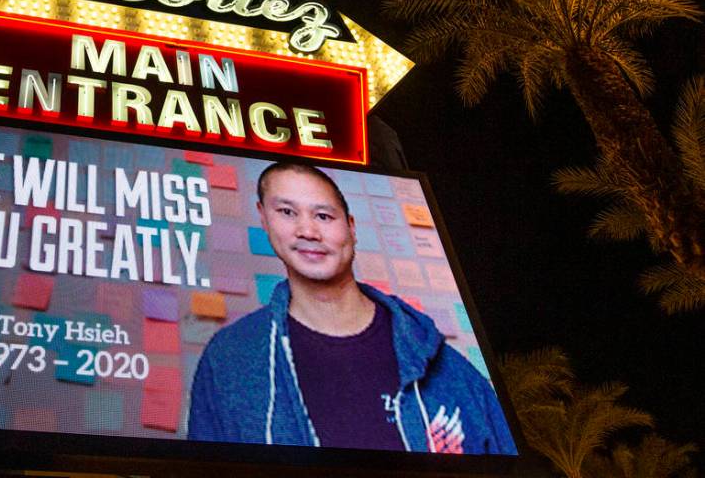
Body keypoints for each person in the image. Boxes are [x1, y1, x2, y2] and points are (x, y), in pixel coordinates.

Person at [187, 161, 516, 454]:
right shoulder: (230, 359)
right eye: (287, 212)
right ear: (263, 218)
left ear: (351, 226)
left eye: (323, 216)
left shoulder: (447, 368)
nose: (308, 231)